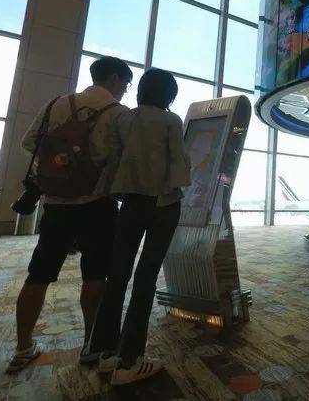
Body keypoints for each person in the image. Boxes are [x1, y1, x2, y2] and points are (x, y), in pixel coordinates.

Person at [7, 57, 132, 373]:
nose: (125, 90)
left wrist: (58, 168)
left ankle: (23, 348)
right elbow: (124, 161)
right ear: (115, 78)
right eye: (126, 83)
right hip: (98, 205)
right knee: (95, 275)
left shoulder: (56, 104)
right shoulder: (118, 113)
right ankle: (91, 345)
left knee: (38, 274)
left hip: (56, 205)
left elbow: (28, 143)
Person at [86, 68, 191, 385]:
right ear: (169, 94)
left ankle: (105, 353)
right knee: (145, 279)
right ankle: (130, 360)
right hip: (163, 205)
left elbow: (113, 158)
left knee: (117, 276)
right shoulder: (170, 121)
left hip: (129, 204)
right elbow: (180, 165)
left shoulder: (124, 118)